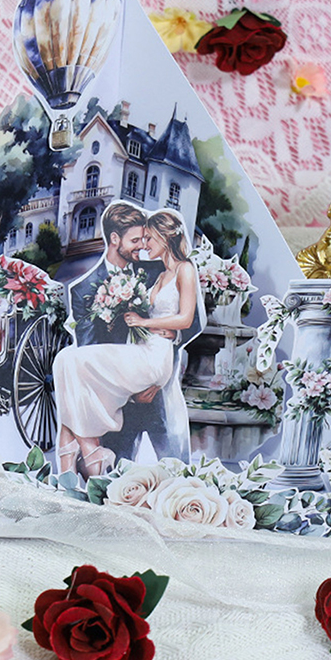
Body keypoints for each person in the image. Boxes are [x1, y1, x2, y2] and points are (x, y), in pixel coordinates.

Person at [54, 204, 201, 477]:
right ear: (114, 239)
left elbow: (192, 320)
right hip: (114, 398)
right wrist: (127, 391)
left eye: (146, 239)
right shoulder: (83, 289)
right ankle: (88, 450)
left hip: (156, 389)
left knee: (175, 473)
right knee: (66, 360)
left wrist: (172, 335)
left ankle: (80, 451)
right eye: (136, 240)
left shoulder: (158, 268)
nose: (143, 246)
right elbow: (88, 348)